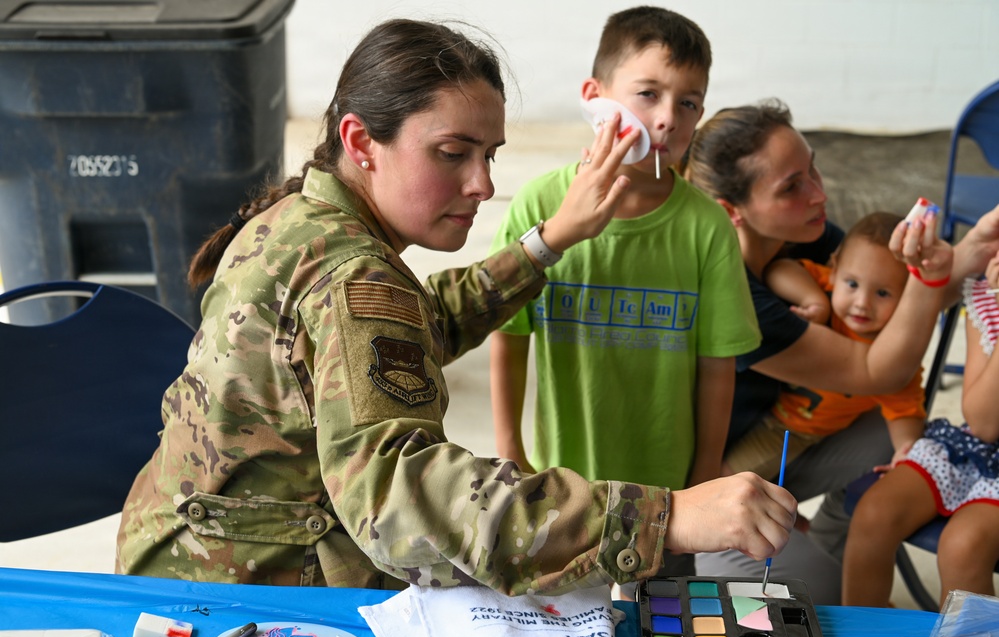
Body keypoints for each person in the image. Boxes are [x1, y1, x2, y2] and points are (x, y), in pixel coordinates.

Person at [115, 18, 797, 593]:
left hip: (178, 556)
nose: (482, 184)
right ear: (361, 141)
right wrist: (662, 517)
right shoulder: (353, 276)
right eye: (452, 153)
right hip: (238, 591)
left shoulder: (301, 219)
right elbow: (403, 499)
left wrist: (546, 244)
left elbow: (407, 333)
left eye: (489, 155)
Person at [682, 99, 999, 605]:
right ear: (730, 211)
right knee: (827, 599)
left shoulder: (805, 237)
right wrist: (936, 273)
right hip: (710, 492)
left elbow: (896, 308)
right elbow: (877, 367)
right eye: (791, 187)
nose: (819, 194)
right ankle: (766, 548)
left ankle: (830, 532)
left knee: (901, 432)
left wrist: (973, 249)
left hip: (792, 440)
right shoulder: (732, 291)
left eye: (813, 170)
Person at [489, 7, 759, 521]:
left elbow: (717, 365)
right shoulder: (538, 205)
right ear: (595, 97)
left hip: (671, 501)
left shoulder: (708, 227)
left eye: (688, 103)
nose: (668, 118)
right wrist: (510, 450)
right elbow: (510, 335)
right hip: (561, 493)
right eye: (648, 93)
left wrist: (706, 470)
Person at [843, 259, 999, 608]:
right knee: (874, 513)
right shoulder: (989, 297)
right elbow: (983, 423)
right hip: (978, 445)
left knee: (963, 546)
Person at [725, 212, 926, 482]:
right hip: (760, 408)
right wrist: (813, 299)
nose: (861, 303)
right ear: (834, 268)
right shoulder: (827, 287)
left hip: (792, 431)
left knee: (728, 478)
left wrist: (905, 449)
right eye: (852, 284)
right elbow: (779, 269)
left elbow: (905, 413)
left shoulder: (894, 354)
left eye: (882, 293)